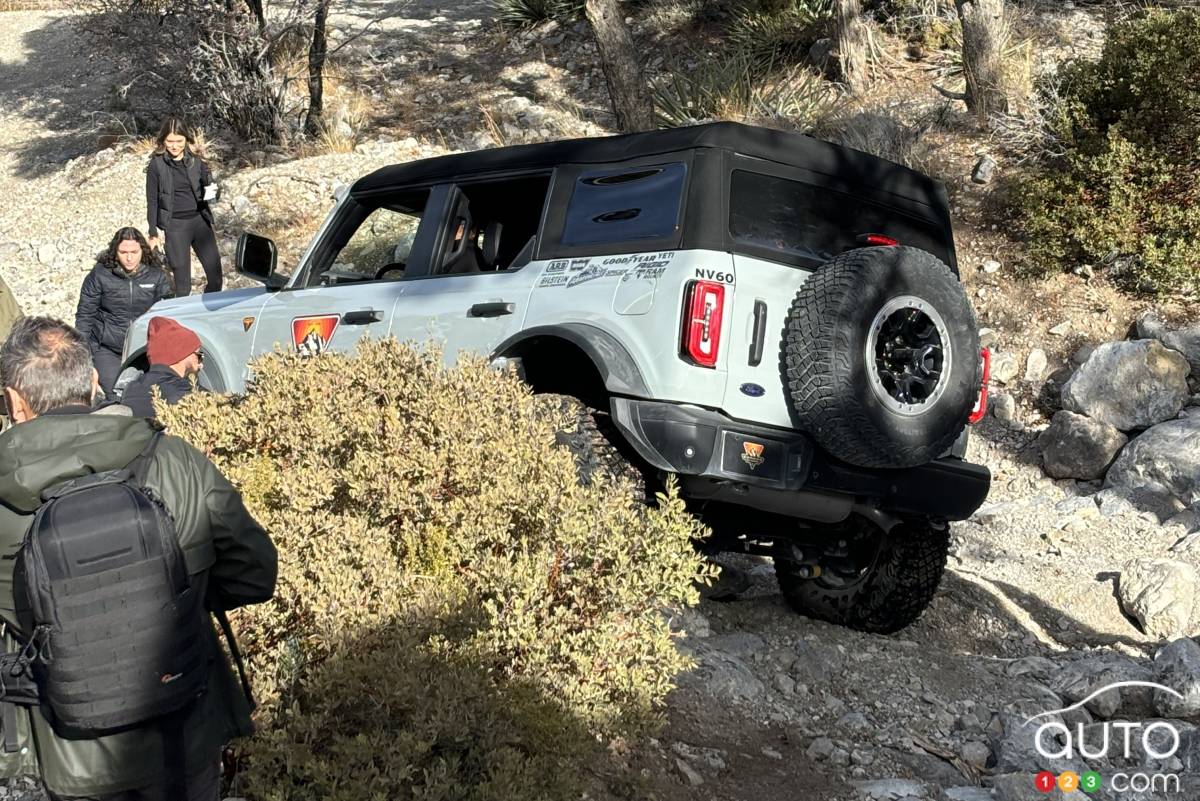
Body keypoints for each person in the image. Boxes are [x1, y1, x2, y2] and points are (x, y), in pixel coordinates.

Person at [0, 316, 277, 801]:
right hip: (184, 732)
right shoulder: (175, 461)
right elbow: (257, 574)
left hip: (63, 756)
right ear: (92, 382)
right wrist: (174, 595)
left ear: (13, 402)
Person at [74, 227, 174, 401]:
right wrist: (84, 358)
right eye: (123, 252)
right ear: (115, 252)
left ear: (143, 250)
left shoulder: (156, 275)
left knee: (149, 396)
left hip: (144, 348)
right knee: (118, 395)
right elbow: (85, 316)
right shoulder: (99, 275)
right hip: (106, 348)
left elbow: (168, 315)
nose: (129, 258)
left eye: (134, 252)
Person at [146, 116, 222, 296]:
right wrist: (153, 233)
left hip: (200, 223)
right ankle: (180, 321)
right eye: (170, 141)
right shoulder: (156, 165)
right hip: (175, 227)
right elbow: (152, 200)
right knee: (183, 287)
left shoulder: (197, 162)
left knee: (216, 279)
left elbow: (212, 190)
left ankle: (206, 312)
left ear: (186, 140)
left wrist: (212, 190)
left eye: (179, 141)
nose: (174, 146)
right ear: (163, 140)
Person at [122, 316, 204, 419]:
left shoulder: (130, 389)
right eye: (199, 356)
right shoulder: (184, 392)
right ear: (183, 354)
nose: (201, 364)